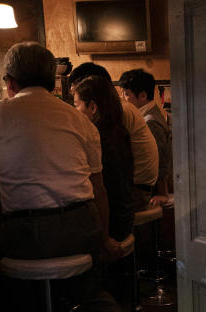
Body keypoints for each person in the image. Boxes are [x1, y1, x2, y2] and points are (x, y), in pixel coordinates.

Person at [0, 41, 145, 312]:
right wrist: (104, 237)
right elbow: (99, 191)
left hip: (27, 232)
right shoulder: (79, 120)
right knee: (92, 289)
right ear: (53, 81)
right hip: (84, 226)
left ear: (9, 82)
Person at [68, 63, 158, 208]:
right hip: (131, 189)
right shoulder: (116, 108)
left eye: (76, 102)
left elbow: (106, 167)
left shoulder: (118, 112)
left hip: (134, 192)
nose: (75, 109)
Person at [72, 75, 135, 251]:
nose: (73, 110)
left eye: (76, 105)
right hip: (125, 215)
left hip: (112, 222)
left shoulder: (96, 137)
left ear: (93, 107)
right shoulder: (119, 131)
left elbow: (100, 191)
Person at [119, 68, 172, 207]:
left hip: (151, 191)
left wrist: (162, 193)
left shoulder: (150, 121)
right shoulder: (145, 115)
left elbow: (161, 158)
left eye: (126, 94)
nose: (123, 98)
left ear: (142, 96)